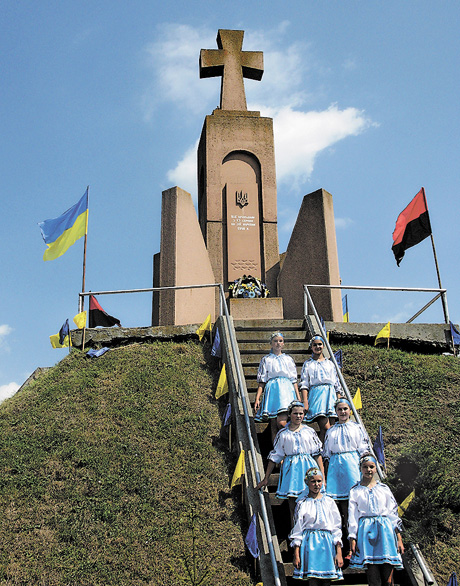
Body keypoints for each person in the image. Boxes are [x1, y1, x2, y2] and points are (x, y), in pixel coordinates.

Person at [256, 401, 324, 521]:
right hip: (291, 470)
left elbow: (317, 455)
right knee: (293, 506)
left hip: (308, 467)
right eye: (295, 413)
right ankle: (295, 533)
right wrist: (266, 478)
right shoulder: (283, 434)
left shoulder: (309, 431)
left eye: (301, 413)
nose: (298, 416)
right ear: (289, 414)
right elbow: (275, 456)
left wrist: (323, 476)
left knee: (311, 503)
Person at [348, 454, 404, 586]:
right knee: (374, 579)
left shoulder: (383, 489)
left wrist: (399, 538)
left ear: (375, 468)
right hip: (366, 532)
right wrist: (352, 538)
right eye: (365, 467)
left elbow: (392, 513)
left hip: (385, 532)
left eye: (371, 467)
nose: (368, 470)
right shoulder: (355, 491)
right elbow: (353, 517)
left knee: (388, 578)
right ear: (360, 468)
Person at [322, 397, 370, 550]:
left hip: (352, 467)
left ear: (350, 410)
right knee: (342, 509)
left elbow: (363, 448)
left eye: (345, 409)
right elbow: (327, 454)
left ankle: (357, 545)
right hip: (336, 469)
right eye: (339, 409)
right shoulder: (331, 431)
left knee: (354, 507)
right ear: (335, 412)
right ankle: (345, 545)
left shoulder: (356, 427)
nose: (342, 412)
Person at [290, 467, 343, 583]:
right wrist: (296, 554)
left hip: (327, 544)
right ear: (307, 483)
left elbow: (336, 528)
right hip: (310, 544)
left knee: (326, 580)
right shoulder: (302, 503)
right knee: (313, 580)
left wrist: (339, 552)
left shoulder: (329, 502)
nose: (316, 484)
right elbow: (298, 530)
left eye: (319, 481)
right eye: (313, 481)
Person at [254, 332, 301, 443]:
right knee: (274, 425)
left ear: (283, 343)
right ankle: (277, 453)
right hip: (273, 391)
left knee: (282, 423)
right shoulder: (266, 359)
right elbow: (262, 381)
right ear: (271, 343)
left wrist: (298, 397)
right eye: (275, 341)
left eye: (280, 341)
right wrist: (257, 398)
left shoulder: (288, 359)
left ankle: (288, 446)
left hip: (286, 390)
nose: (278, 343)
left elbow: (294, 380)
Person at [299, 335, 341, 443]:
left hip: (330, 395)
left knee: (330, 430)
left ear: (323, 346)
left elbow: (336, 382)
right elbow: (304, 384)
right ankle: (320, 453)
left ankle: (325, 454)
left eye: (320, 344)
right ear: (311, 347)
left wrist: (339, 399)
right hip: (317, 396)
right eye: (315, 345)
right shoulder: (308, 364)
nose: (317, 347)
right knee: (326, 427)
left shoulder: (330, 363)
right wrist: (305, 401)